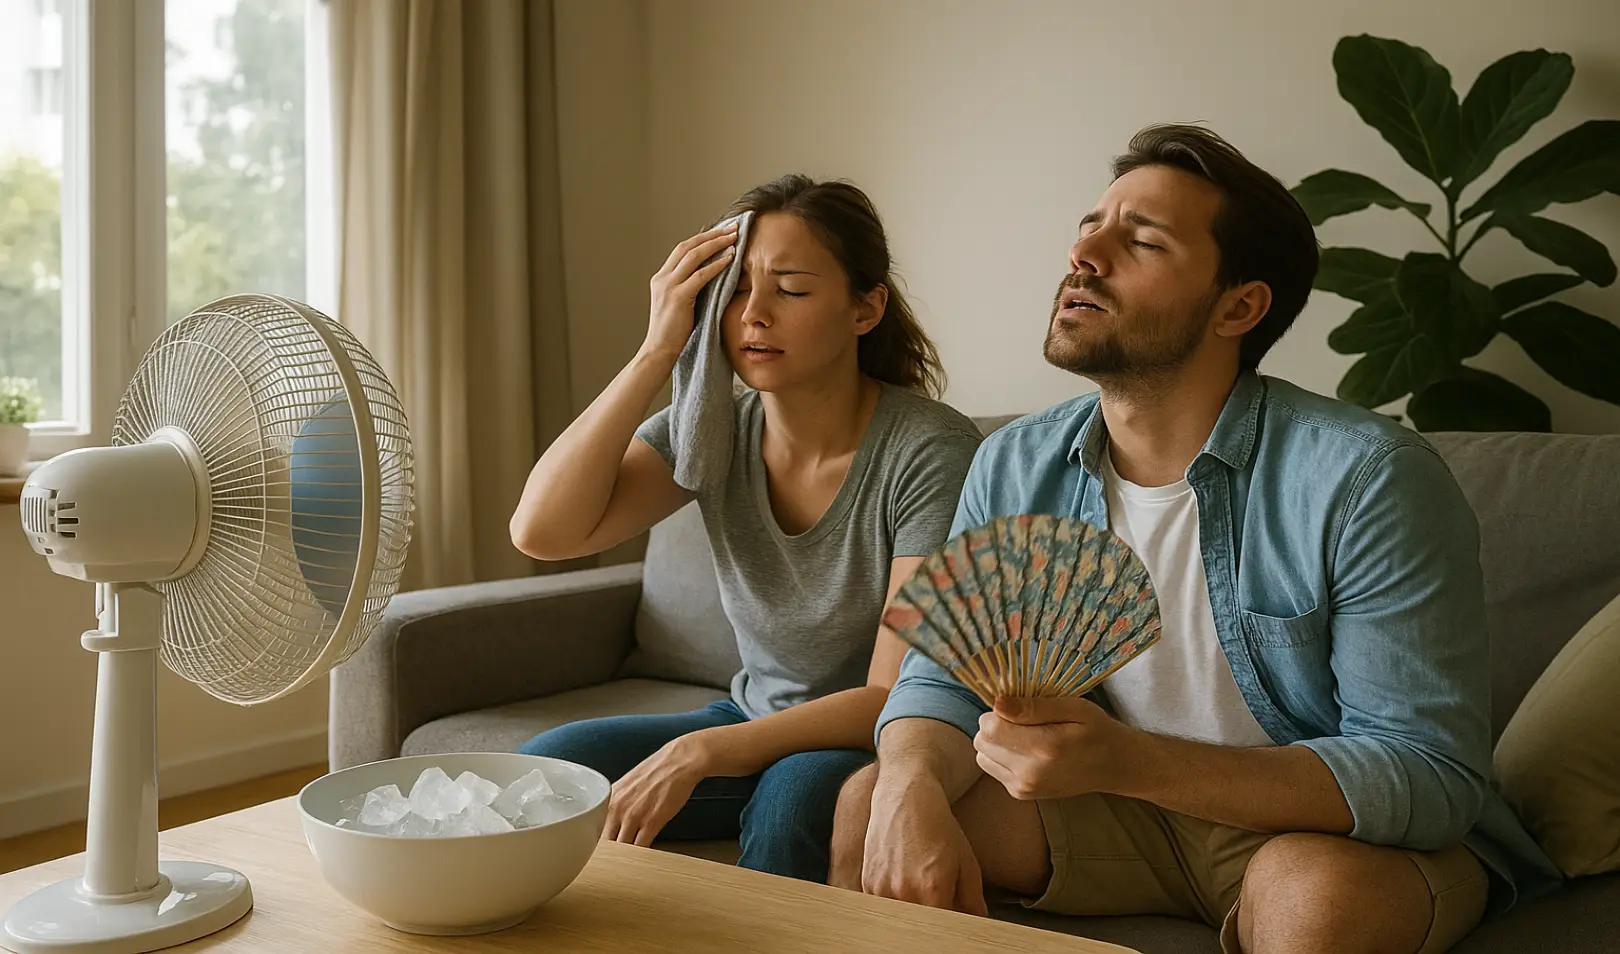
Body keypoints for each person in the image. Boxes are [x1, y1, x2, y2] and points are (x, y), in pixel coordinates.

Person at [828, 125, 1562, 953]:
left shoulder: (1369, 478)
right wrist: (911, 782)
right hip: (1127, 821)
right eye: (1090, 227)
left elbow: (1427, 774)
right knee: (871, 805)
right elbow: (939, 677)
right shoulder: (1014, 461)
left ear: (1238, 306)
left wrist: (1128, 762)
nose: (1085, 255)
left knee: (1313, 898)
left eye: (1140, 241)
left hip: (1321, 835)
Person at [508, 174, 982, 883]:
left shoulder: (930, 452)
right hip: (751, 716)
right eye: (733, 290)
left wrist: (702, 754)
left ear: (866, 307)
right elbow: (541, 531)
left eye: (791, 290)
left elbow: (890, 695)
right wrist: (656, 352)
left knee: (790, 806)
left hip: (879, 734)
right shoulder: (714, 430)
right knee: (545, 770)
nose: (754, 314)